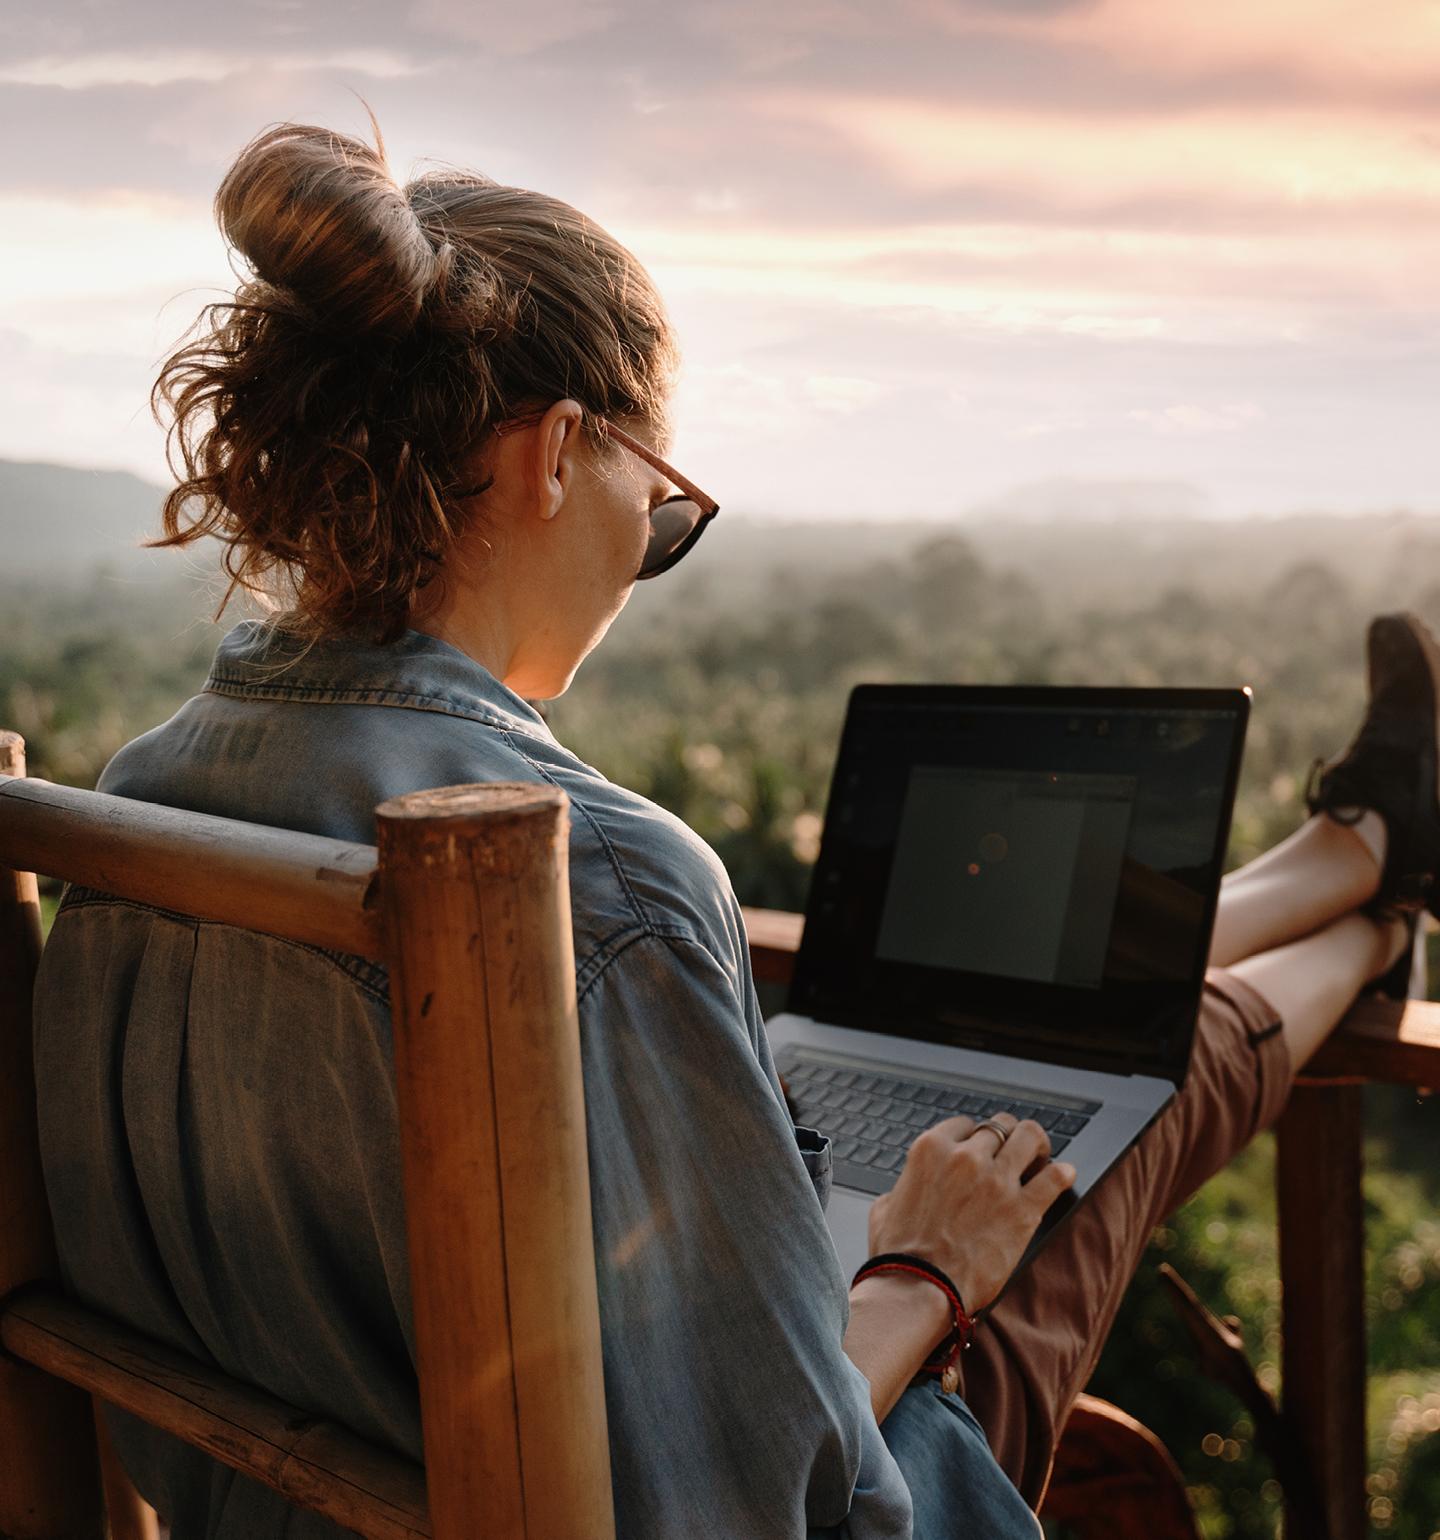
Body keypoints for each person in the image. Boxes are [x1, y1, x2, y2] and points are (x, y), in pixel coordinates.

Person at [30, 119, 1440, 1539]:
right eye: (664, 507)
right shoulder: (605, 882)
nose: (650, 554)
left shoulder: (136, 807)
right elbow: (770, 1501)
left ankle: (1366, 863)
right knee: (1106, 1104)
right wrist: (926, 1275)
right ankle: (1378, 881)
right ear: (560, 453)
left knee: (1071, 1049)